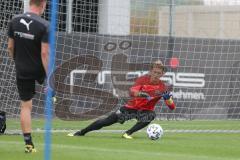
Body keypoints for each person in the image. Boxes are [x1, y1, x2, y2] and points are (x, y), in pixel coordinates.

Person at [68, 60, 176, 139]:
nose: (156, 75)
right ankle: (82, 132)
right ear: (151, 71)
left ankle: (128, 133)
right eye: (154, 72)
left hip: (144, 111)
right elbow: (132, 91)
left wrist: (168, 99)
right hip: (131, 109)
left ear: (163, 74)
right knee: (106, 121)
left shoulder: (163, 87)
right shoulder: (142, 79)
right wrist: (142, 94)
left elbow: (172, 107)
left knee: (151, 115)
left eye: (159, 73)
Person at [7, 0, 48, 153]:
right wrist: (49, 76)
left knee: (26, 106)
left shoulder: (14, 20)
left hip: (22, 69)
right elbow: (45, 53)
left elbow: (10, 47)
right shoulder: (44, 25)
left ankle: (29, 144)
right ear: (42, 4)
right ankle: (52, 92)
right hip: (38, 69)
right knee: (52, 86)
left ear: (30, 3)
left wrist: (16, 61)